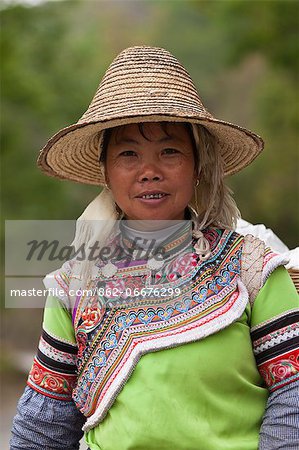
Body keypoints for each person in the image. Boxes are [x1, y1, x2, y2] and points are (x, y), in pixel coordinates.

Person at [11, 46, 299, 450]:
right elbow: (44, 422)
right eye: (128, 154)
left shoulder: (252, 268)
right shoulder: (76, 284)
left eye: (170, 151)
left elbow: (294, 394)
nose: (149, 171)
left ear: (197, 166)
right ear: (106, 172)